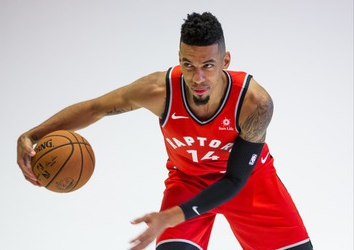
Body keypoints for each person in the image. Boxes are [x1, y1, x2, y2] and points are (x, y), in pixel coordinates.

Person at [17, 12, 313, 250]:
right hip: (188, 182)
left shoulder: (254, 103)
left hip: (250, 184)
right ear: (179, 59)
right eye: (188, 64)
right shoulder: (160, 91)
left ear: (225, 61)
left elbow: (235, 179)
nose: (198, 77)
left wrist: (169, 217)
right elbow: (97, 108)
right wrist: (32, 134)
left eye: (208, 65)